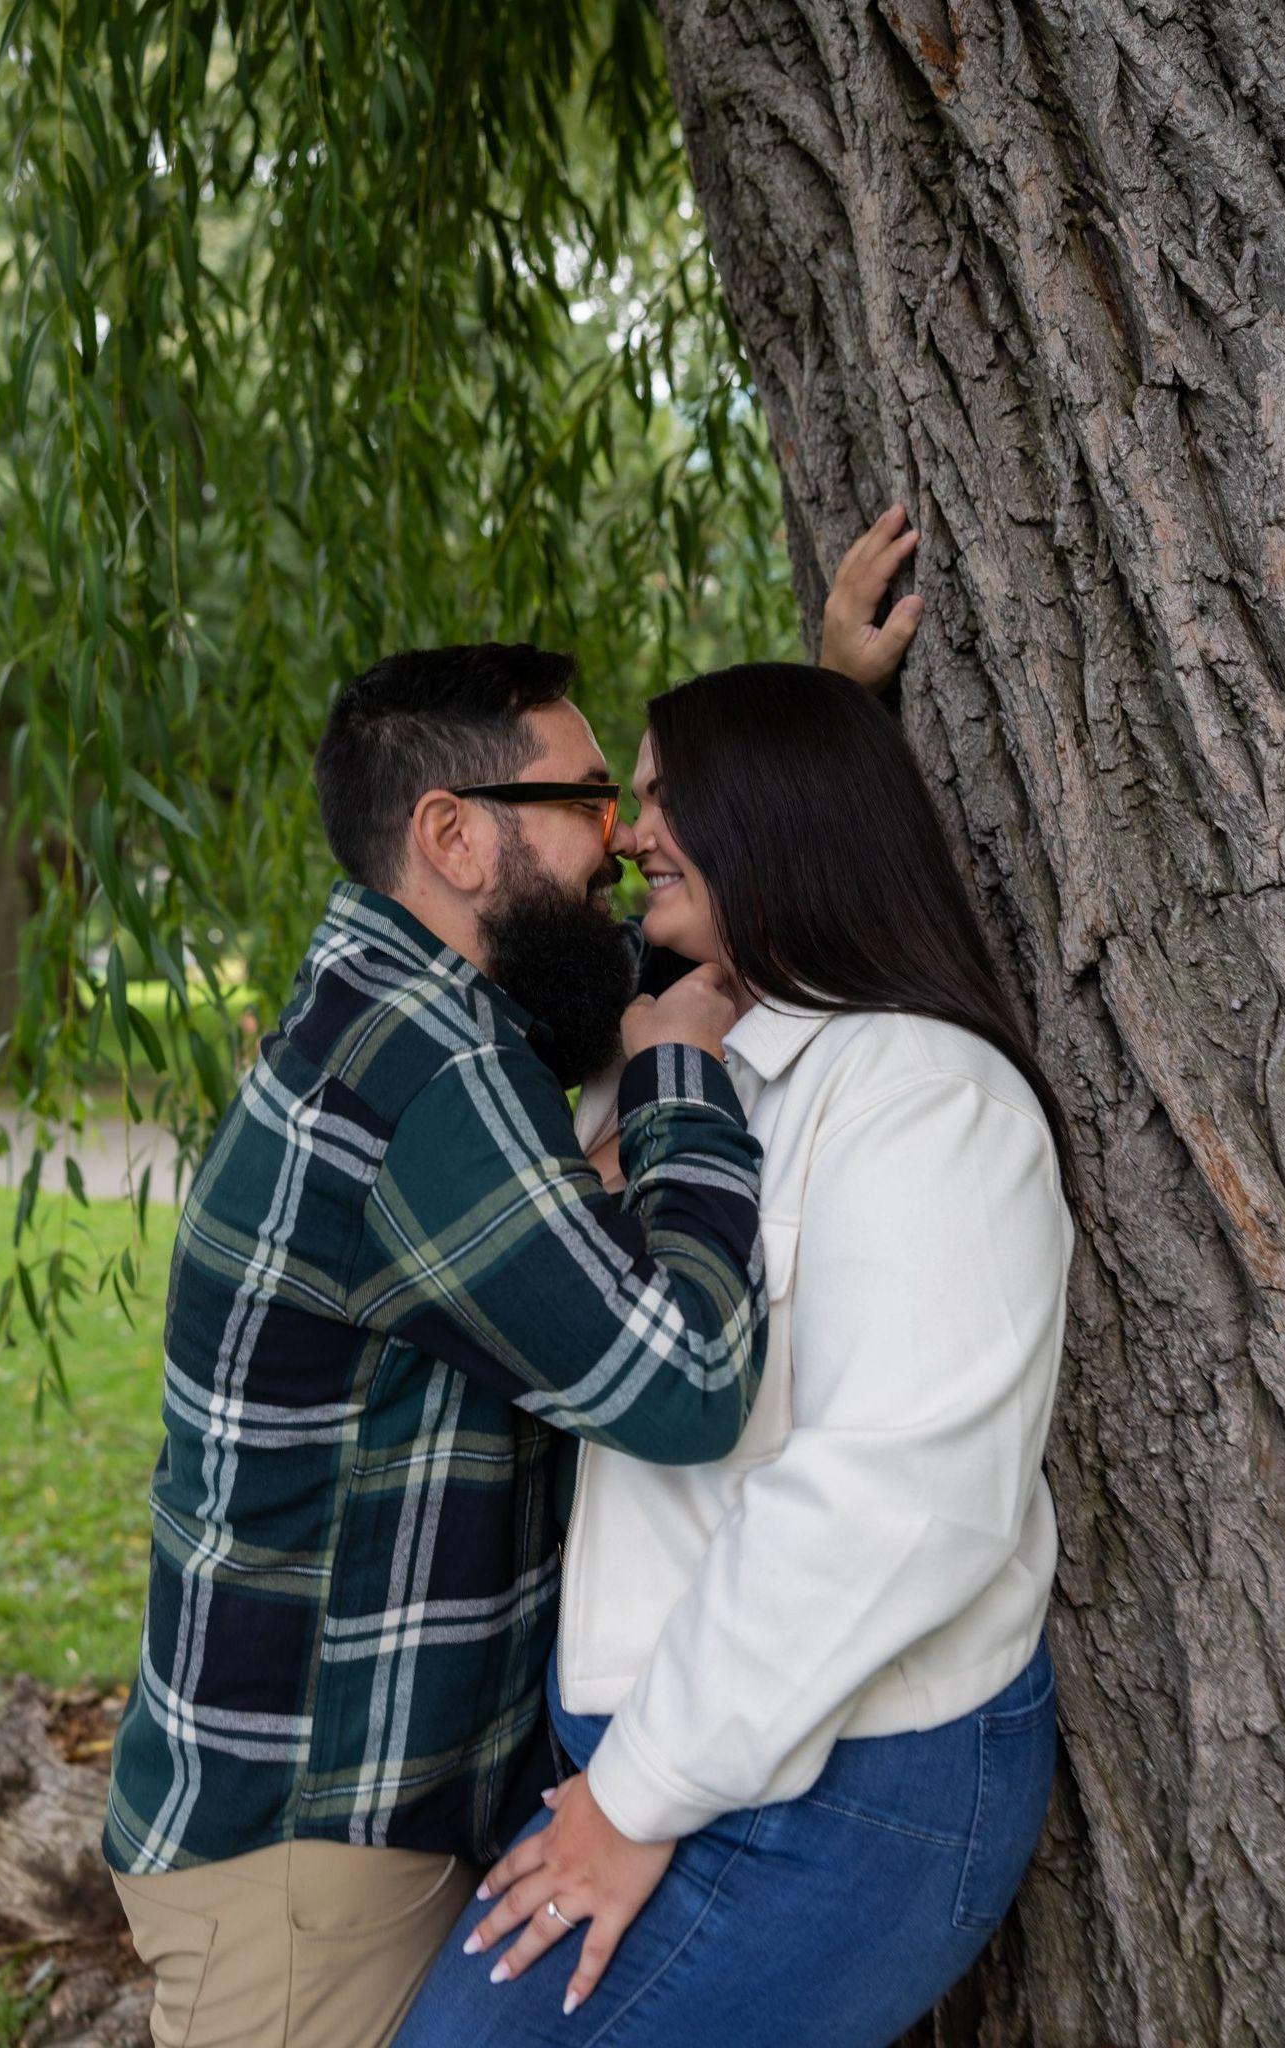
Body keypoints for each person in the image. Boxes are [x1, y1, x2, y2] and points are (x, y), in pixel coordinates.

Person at [103, 520, 922, 2048]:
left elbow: (677, 945)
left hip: (358, 1825)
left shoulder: (419, 1008)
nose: (623, 841)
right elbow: (685, 1383)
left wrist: (814, 724)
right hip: (304, 1866)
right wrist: (680, 1087)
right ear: (457, 836)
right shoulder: (422, 1082)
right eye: (592, 802)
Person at [396, 653, 1076, 2048]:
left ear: (774, 810)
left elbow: (896, 1501)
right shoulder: (681, 1048)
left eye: (666, 797)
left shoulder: (925, 1103)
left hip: (845, 1786)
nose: (631, 835)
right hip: (679, 1750)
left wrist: (632, 1798)